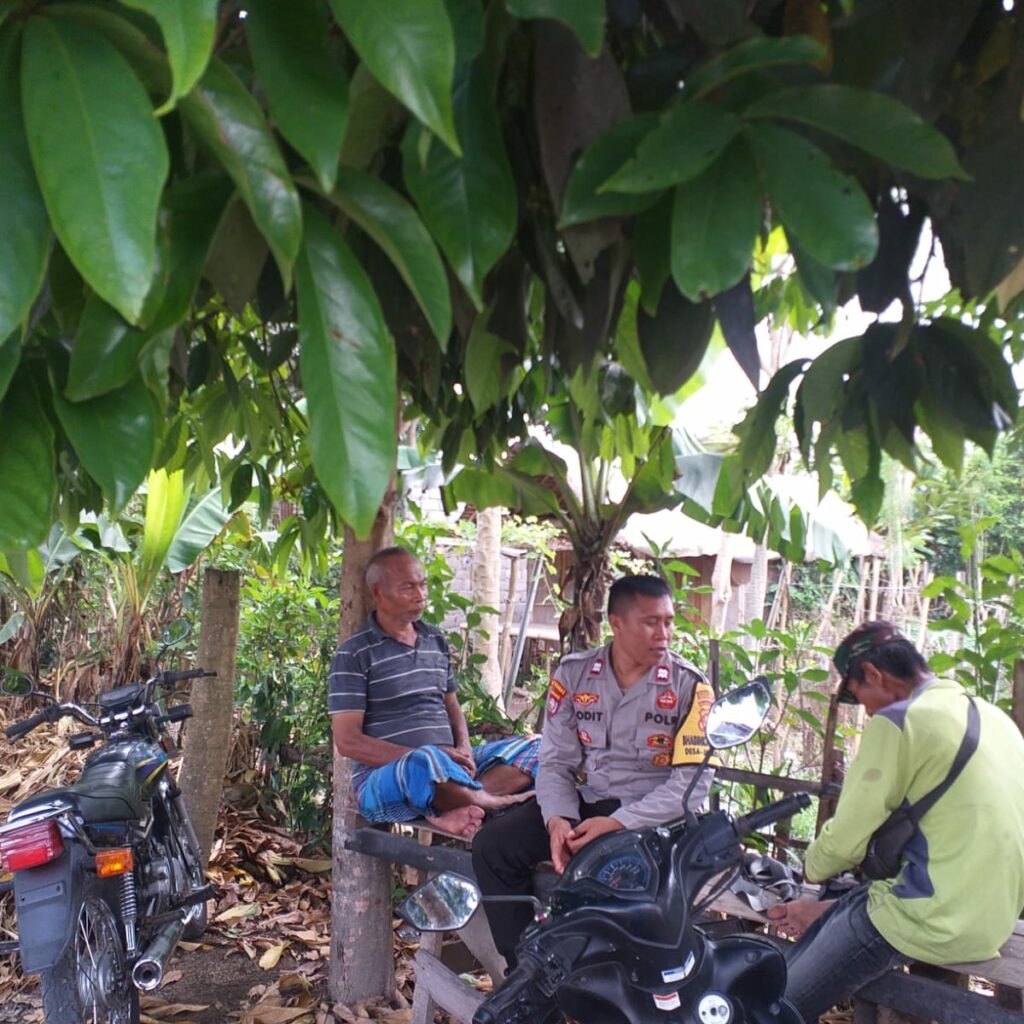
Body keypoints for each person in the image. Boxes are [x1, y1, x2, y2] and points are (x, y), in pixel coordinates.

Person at [766, 621, 1024, 1023]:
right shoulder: (996, 721)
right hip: (990, 921)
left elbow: (841, 846)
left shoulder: (903, 720)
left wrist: (810, 866)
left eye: (860, 696)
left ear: (873, 674)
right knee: (859, 902)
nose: (867, 711)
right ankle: (820, 914)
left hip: (926, 918)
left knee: (772, 1005)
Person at [472, 574, 717, 967]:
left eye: (669, 621)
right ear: (617, 624)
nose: (664, 633)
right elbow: (555, 762)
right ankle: (526, 970)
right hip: (590, 805)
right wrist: (557, 820)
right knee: (493, 846)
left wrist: (618, 823)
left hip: (653, 821)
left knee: (607, 869)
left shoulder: (690, 687)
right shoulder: (574, 675)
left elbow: (690, 788)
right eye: (651, 622)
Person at [329, 546, 538, 838]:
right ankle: (480, 800)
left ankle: (452, 806)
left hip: (450, 768)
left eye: (422, 584)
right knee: (423, 762)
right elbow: (347, 741)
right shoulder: (355, 654)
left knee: (541, 747)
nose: (421, 594)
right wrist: (434, 757)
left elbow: (451, 706)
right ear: (378, 593)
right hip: (387, 778)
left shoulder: (434, 639)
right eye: (408, 587)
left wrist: (463, 747)